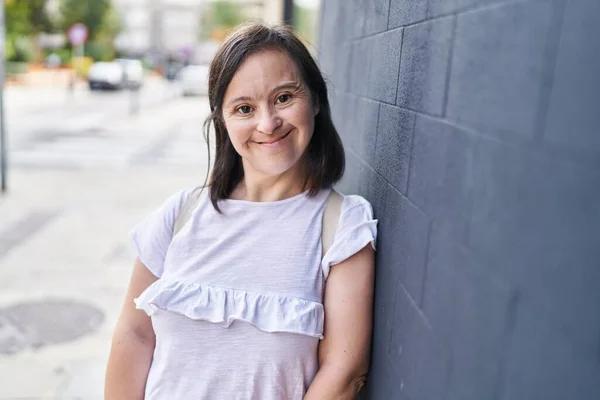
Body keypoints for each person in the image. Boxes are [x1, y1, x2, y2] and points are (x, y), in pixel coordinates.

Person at [104, 23, 377, 400]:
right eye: (245, 108)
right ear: (223, 121)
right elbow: (133, 335)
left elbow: (345, 372)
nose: (267, 124)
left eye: (284, 97)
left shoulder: (342, 226)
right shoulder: (179, 214)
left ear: (315, 99)